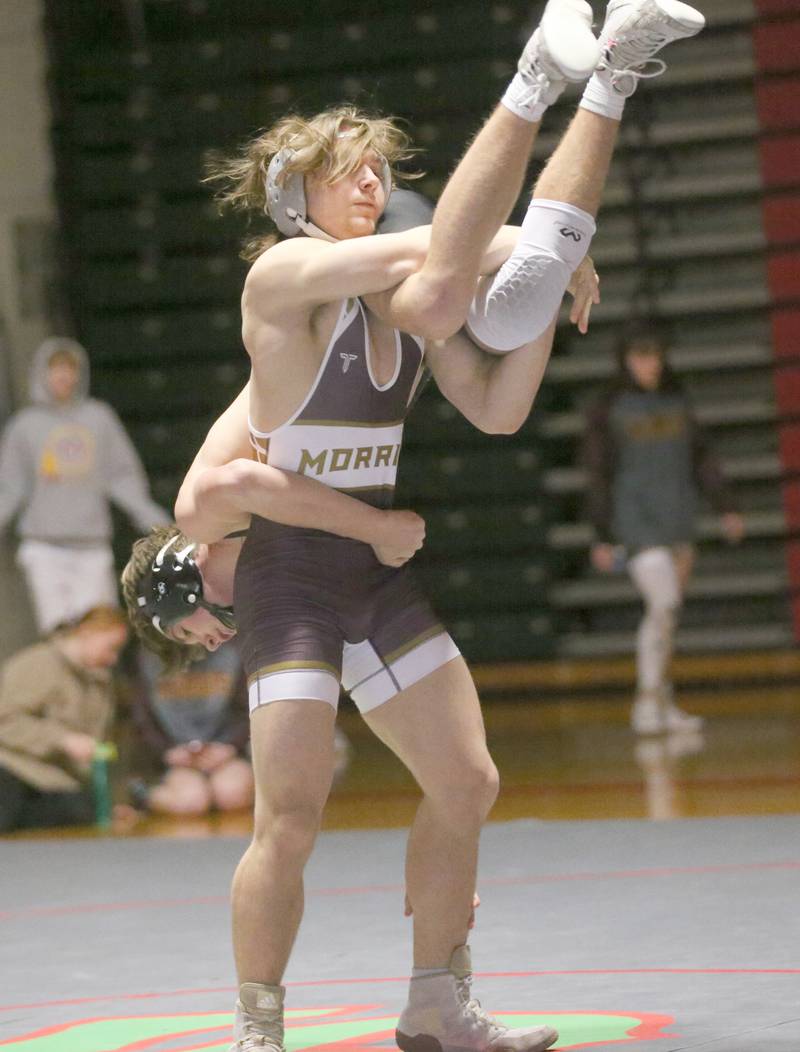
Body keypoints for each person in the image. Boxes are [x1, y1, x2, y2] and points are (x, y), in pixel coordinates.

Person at [124, 3, 706, 1050]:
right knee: (289, 817)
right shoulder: (280, 277)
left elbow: (494, 406)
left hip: (373, 573)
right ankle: (259, 1025)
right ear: (290, 200)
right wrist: (532, 243)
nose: (369, 180)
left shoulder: (401, 302)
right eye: (346, 170)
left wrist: (541, 294)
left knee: (469, 778)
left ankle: (435, 999)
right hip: (296, 578)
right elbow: (445, 263)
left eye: (375, 168)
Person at [584, 321, 745, 734]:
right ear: (624, 360)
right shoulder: (609, 409)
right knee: (664, 604)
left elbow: (702, 458)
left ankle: (662, 700)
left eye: (654, 354)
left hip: (678, 518)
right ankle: (646, 702)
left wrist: (726, 506)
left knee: (666, 619)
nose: (649, 364)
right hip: (635, 523)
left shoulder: (677, 401)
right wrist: (601, 533)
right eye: (640, 355)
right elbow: (597, 473)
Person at [0, 337, 169, 634]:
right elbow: (10, 487)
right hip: (43, 548)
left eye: (70, 368)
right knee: (59, 632)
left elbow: (122, 477)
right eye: (55, 368)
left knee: (99, 629)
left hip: (91, 545)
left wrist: (155, 521)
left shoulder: (99, 419)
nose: (63, 376)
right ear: (41, 373)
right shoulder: (24, 426)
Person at [0, 605, 129, 833]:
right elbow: (6, 720)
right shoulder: (38, 664)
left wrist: (113, 800)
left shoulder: (100, 682)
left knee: (85, 812)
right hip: (14, 771)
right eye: (111, 647)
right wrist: (61, 740)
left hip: (58, 781)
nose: (113, 658)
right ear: (87, 633)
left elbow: (100, 745)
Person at [129, 645, 255, 816]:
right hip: (174, 755)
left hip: (227, 751)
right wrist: (166, 752)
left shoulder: (233, 653)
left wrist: (230, 747)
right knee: (191, 800)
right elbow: (142, 720)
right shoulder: (148, 657)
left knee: (231, 794)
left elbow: (249, 710)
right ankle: (143, 795)